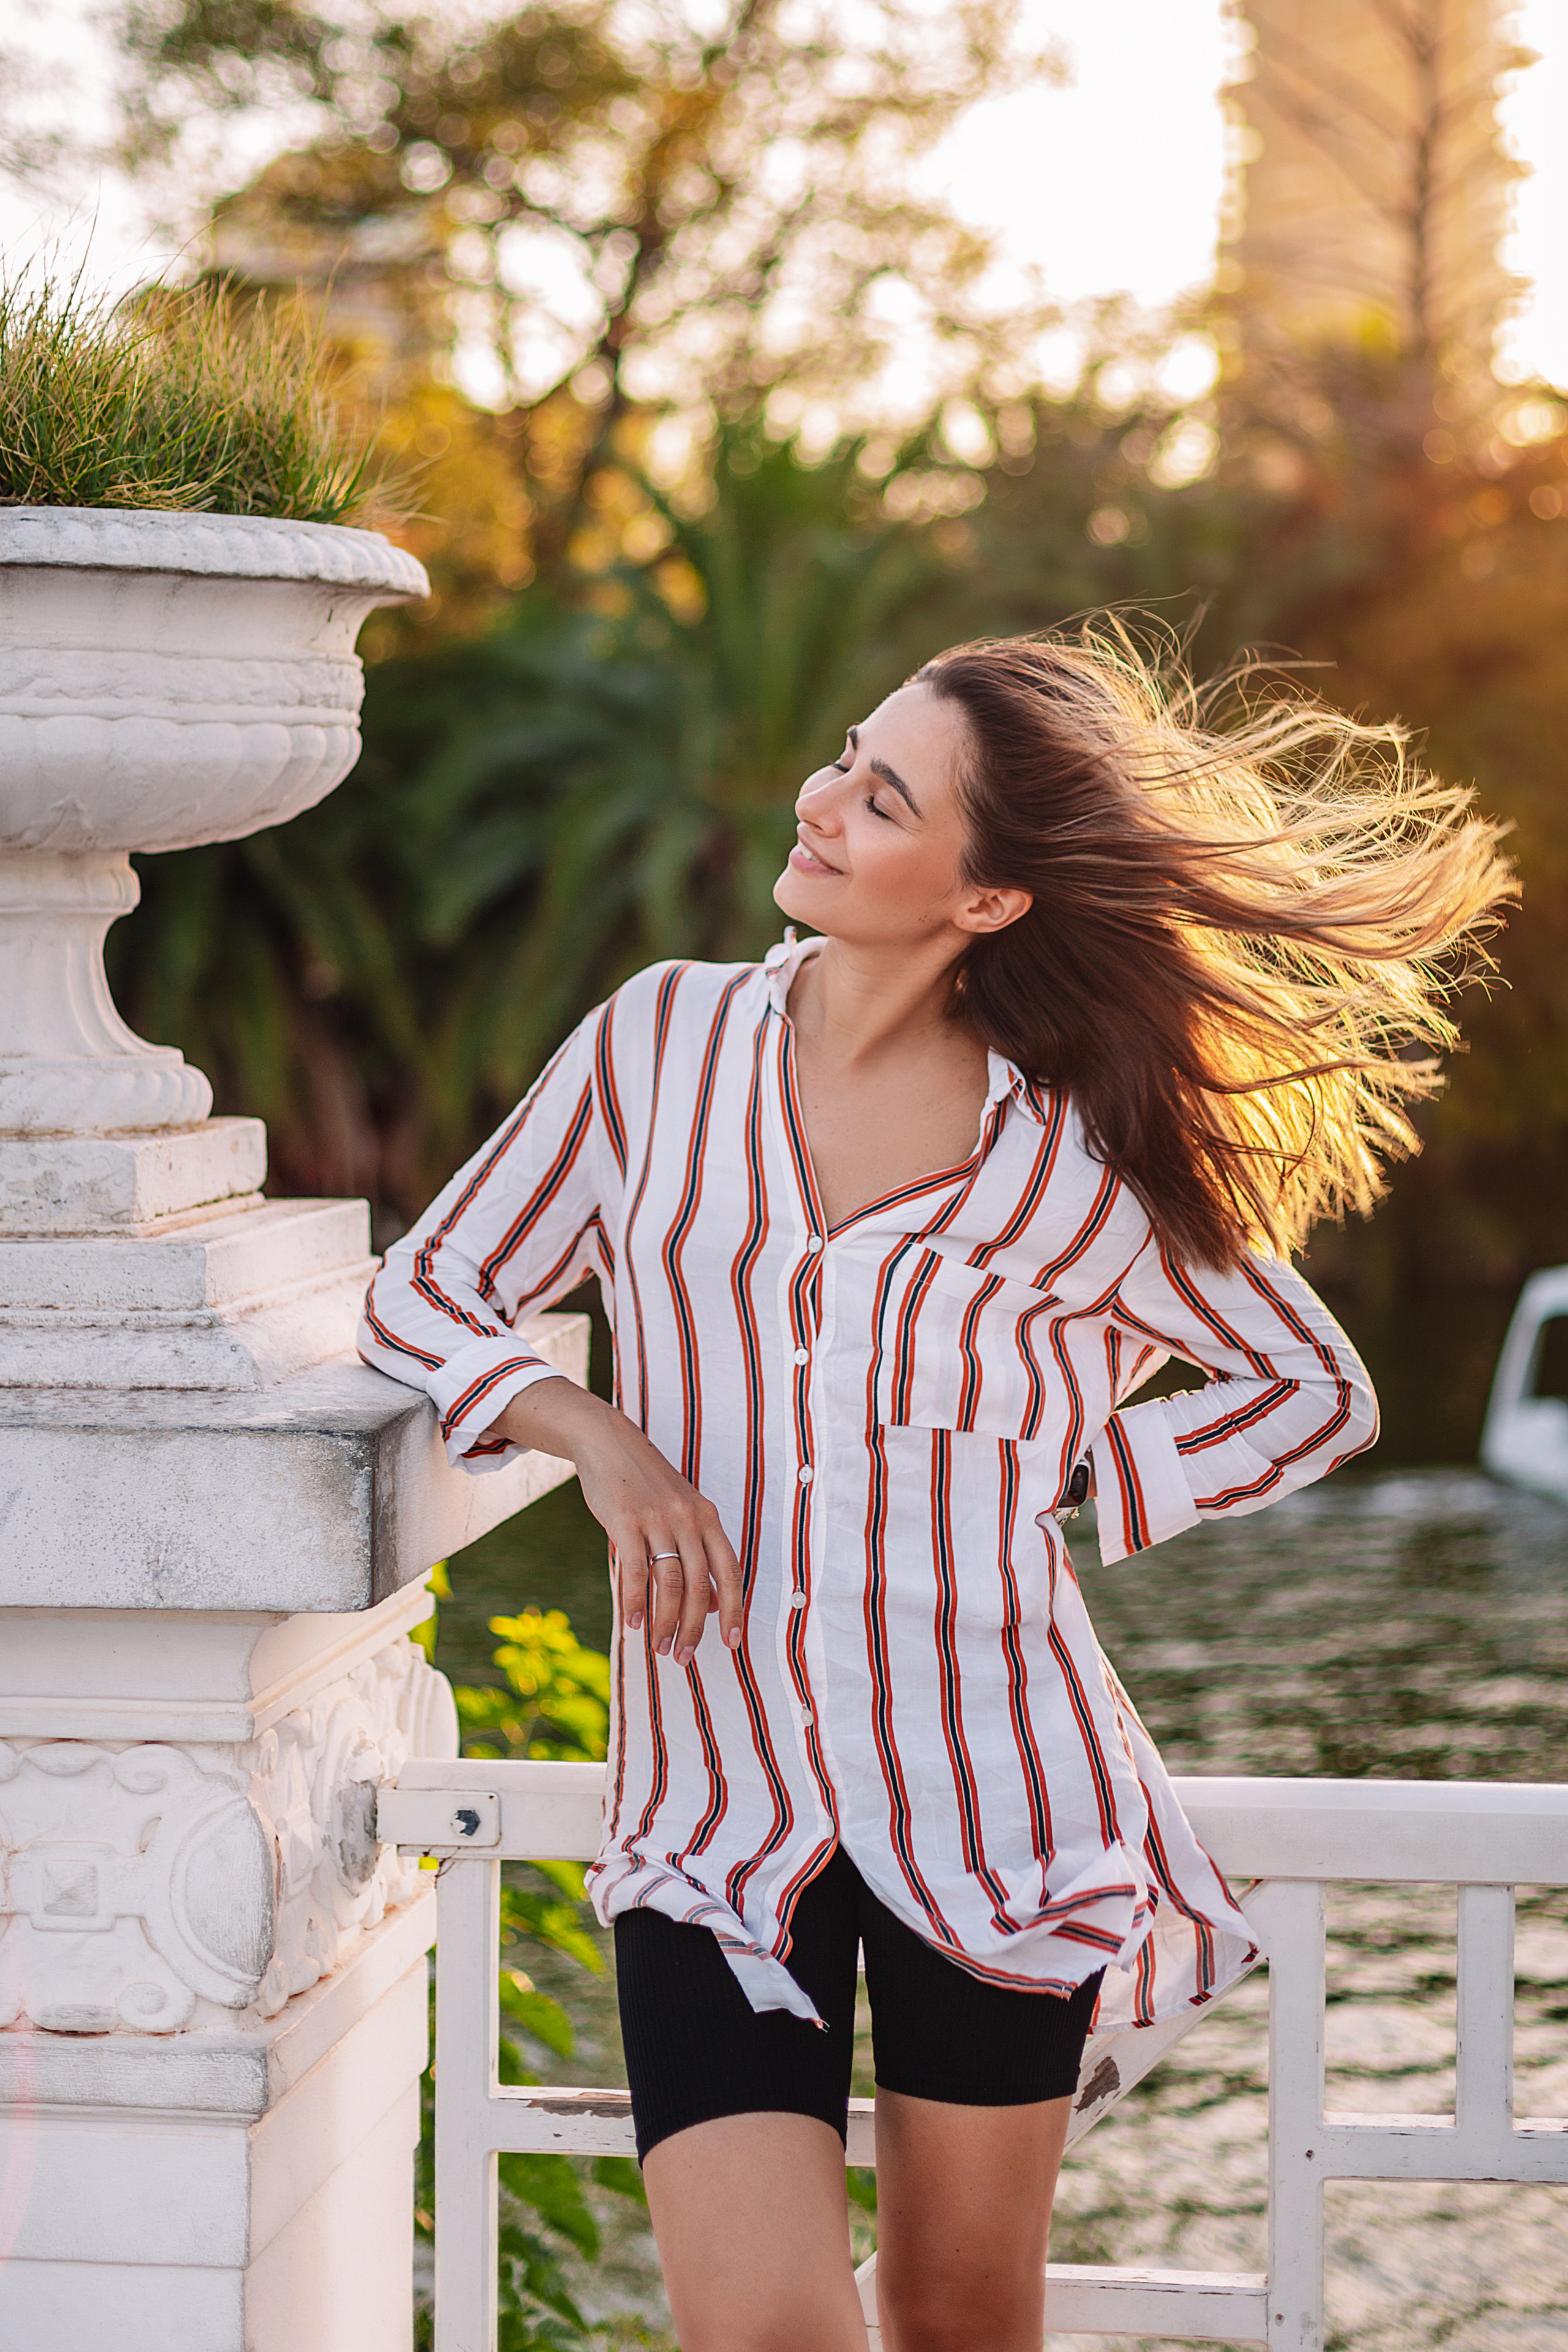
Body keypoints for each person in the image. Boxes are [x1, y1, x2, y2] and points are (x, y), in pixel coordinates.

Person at [361, 626, 1510, 2352]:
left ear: (984, 901)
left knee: (966, 2324)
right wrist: (599, 1441)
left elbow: (1313, 1389)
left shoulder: (1074, 1162)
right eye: (845, 755)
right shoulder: (655, 1049)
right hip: (712, 1825)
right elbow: (424, 1290)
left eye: (883, 798)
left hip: (1002, 1809)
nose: (821, 802)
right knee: (768, 2335)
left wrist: (1067, 1470)